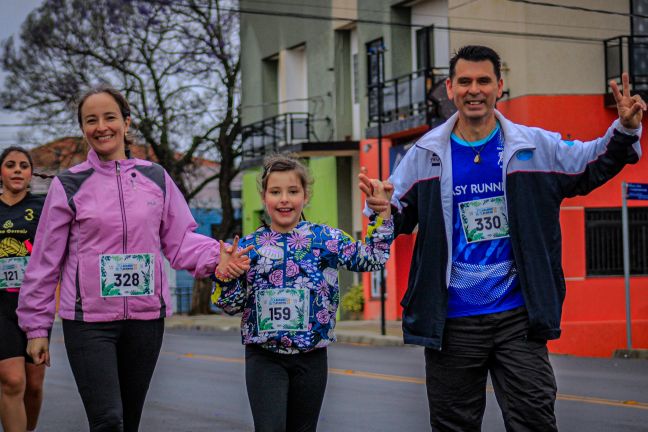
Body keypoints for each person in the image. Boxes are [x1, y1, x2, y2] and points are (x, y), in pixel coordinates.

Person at [360, 45, 644, 431]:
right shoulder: (424, 154)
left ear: (500, 86)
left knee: (535, 421)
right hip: (452, 323)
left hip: (517, 320)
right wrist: (381, 210)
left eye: (483, 80)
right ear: (450, 88)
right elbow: (395, 220)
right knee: (453, 426)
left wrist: (625, 128)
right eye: (464, 81)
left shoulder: (534, 146)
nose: (473, 90)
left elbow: (590, 163)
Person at [16, 85, 225, 432]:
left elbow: (181, 241)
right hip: (88, 322)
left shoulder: (155, 178)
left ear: (126, 123)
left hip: (144, 321)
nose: (101, 127)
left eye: (110, 117)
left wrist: (218, 257)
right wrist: (36, 328)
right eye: (91, 120)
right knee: (108, 421)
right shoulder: (68, 184)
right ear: (83, 129)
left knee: (128, 422)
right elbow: (45, 263)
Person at [213, 154, 394, 432]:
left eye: (293, 191)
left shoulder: (326, 240)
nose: (284, 199)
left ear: (305, 196)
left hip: (311, 356)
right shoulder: (248, 247)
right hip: (264, 356)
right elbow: (231, 304)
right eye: (275, 192)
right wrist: (224, 276)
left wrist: (381, 214)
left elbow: (371, 258)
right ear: (264, 197)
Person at [0, 146, 49, 432]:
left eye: (23, 165)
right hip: (1, 307)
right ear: (1, 172)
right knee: (12, 380)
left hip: (34, 306)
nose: (17, 170)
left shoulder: (43, 207)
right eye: (10, 165)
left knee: (32, 385)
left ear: (31, 173)